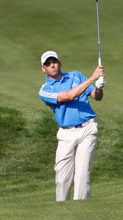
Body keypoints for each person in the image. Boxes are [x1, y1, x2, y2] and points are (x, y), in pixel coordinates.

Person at [39, 50, 105, 201]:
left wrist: (100, 87)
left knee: (82, 175)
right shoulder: (45, 90)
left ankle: (80, 211)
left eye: (54, 62)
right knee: (62, 179)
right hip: (66, 133)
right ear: (44, 68)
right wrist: (92, 78)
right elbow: (68, 96)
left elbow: (97, 96)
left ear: (59, 63)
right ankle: (62, 210)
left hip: (87, 128)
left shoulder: (75, 76)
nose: (52, 65)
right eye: (48, 64)